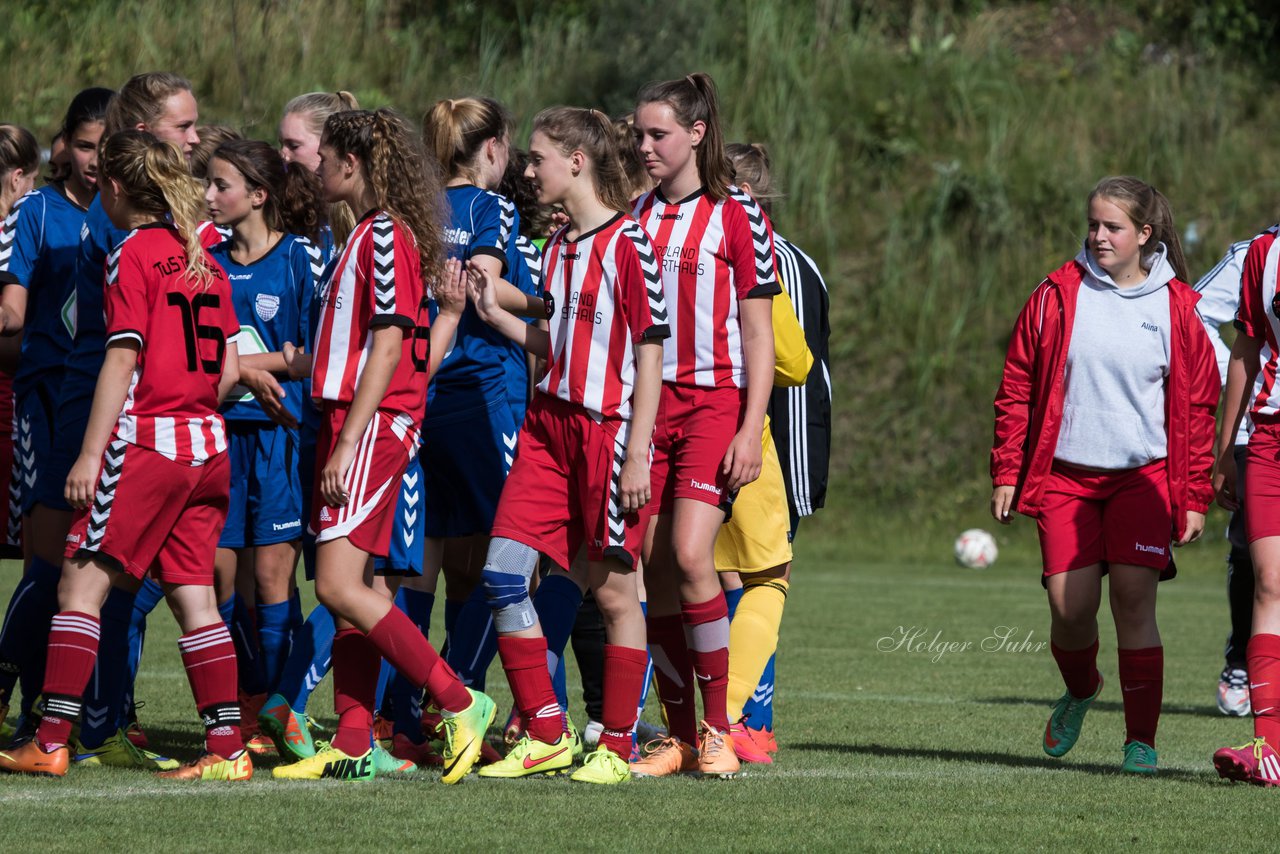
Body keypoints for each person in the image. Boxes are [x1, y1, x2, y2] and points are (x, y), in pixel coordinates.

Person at [0, 130, 247, 780]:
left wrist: (89, 454)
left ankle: (50, 739)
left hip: (150, 442)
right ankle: (228, 749)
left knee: (79, 585)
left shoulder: (131, 254)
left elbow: (120, 355)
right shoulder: (204, 257)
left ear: (113, 189)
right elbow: (228, 367)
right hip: (208, 444)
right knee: (195, 597)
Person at [270, 108, 493, 784]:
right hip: (345, 422)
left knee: (339, 584)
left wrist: (346, 446)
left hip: (366, 428)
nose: (316, 166)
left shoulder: (387, 235)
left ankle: (461, 701)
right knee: (353, 587)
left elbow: (391, 344)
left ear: (353, 162)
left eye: (325, 154)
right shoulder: (364, 235)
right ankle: (355, 737)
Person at [990, 175, 1218, 776]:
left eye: (1112, 227)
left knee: (1134, 599)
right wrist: (1007, 470)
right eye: (1093, 225)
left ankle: (1139, 741)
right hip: (1065, 479)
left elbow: (1197, 410)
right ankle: (1083, 688)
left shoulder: (1177, 308)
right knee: (1069, 607)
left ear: (1144, 234)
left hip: (1142, 479)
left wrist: (1194, 495)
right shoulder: (1056, 294)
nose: (1098, 236)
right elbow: (1016, 386)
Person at [467, 106, 669, 784]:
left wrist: (638, 449)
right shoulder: (555, 248)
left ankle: (615, 745)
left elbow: (650, 354)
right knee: (502, 575)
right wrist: (494, 313)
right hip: (547, 429)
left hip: (605, 432)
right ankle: (548, 733)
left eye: (538, 157)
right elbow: (552, 344)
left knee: (614, 596)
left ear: (576, 162)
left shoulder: (629, 244)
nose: (528, 169)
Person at [628, 72, 780, 779]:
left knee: (693, 557)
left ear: (696, 134)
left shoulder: (738, 214)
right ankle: (680, 736)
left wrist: (751, 429)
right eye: (638, 135)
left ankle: (720, 730)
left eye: (657, 134)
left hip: (715, 402)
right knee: (651, 567)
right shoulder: (636, 212)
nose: (645, 146)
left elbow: (758, 336)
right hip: (647, 409)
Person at [419, 96, 544, 696]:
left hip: (428, 393)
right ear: (493, 148)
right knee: (518, 560)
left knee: (440, 561)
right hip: (487, 392)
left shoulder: (415, 206)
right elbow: (483, 284)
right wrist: (555, 303)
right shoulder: (490, 204)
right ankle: (456, 691)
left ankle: (405, 705)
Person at [203, 139, 323, 747]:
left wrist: (247, 363)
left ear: (258, 194)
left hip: (280, 439)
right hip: (218, 436)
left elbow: (310, 359)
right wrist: (246, 370)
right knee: (222, 582)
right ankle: (249, 701)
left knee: (274, 582)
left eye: (221, 185)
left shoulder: (301, 258)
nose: (209, 196)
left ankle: (283, 709)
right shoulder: (205, 259)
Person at [712, 142, 819, 765]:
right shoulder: (757, 250)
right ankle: (731, 722)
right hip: (733, 427)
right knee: (765, 576)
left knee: (676, 580)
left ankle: (615, 724)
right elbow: (796, 360)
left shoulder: (648, 226)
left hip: (653, 426)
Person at [1209, 218, 1280, 785]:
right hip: (1269, 439)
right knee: (1269, 584)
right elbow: (1247, 349)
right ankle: (1267, 747)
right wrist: (1227, 447)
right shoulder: (1263, 253)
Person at [1192, 234, 1266, 717]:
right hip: (1257, 423)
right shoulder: (1255, 255)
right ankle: (1242, 659)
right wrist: (1239, 376)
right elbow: (1191, 313)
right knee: (1252, 550)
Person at [0, 122, 41, 739]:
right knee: (45, 564)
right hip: (20, 404)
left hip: (24, 401)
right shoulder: (25, 226)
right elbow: (13, 318)